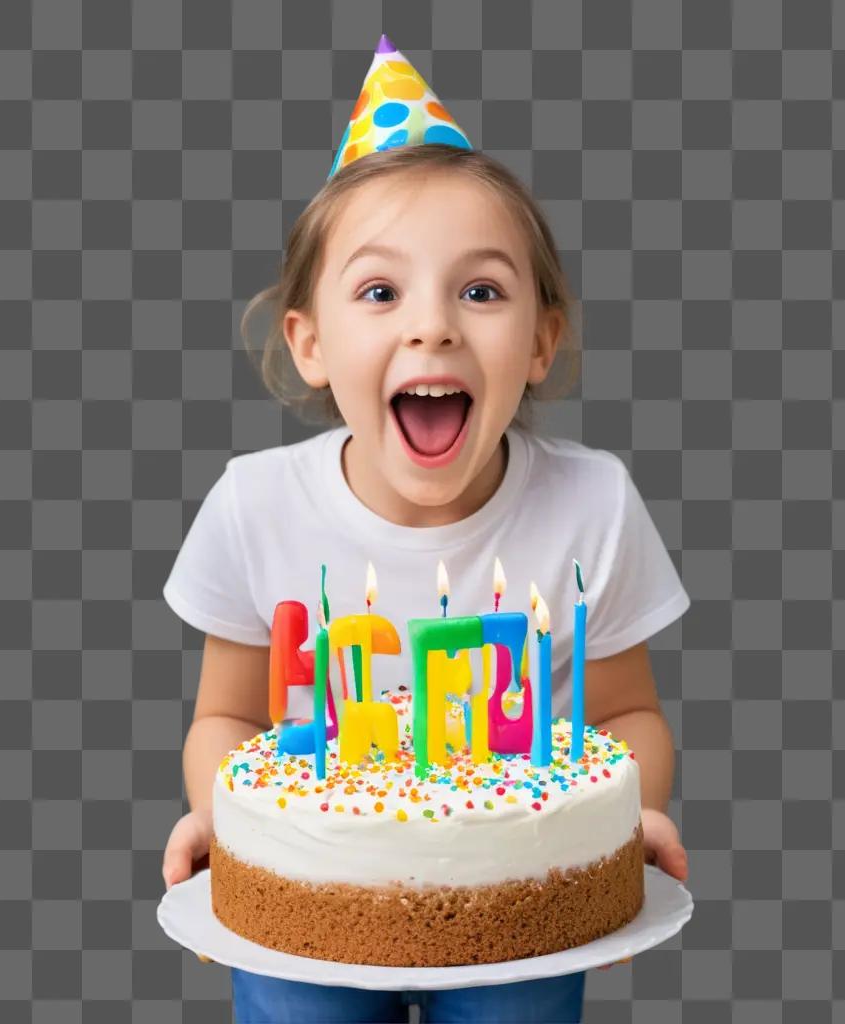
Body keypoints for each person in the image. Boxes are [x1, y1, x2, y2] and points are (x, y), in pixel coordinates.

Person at [161, 35, 690, 1024]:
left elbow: (627, 717)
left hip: (523, 916)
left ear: (539, 340)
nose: (433, 326)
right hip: (303, 912)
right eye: (378, 291)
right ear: (309, 341)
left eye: (480, 290)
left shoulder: (593, 504)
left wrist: (635, 814)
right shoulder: (252, 505)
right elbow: (224, 718)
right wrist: (217, 812)